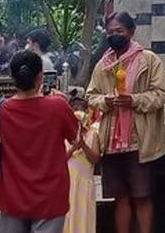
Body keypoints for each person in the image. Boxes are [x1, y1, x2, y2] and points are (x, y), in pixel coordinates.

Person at [87, 12, 165, 233]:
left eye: (119, 31)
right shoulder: (103, 65)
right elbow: (91, 96)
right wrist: (106, 101)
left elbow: (160, 94)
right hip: (111, 142)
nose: (114, 35)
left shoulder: (149, 60)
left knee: (142, 196)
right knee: (120, 198)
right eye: (111, 32)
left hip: (138, 140)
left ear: (131, 32)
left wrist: (133, 100)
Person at [0, 51, 79, 233]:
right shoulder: (58, 106)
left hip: (12, 194)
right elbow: (76, 138)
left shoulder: (2, 110)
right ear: (40, 77)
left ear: (12, 78)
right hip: (50, 194)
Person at [63, 90, 100, 233]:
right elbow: (60, 159)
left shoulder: (92, 134)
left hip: (84, 185)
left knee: (83, 218)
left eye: (82, 110)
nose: (79, 112)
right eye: (75, 109)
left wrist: (83, 145)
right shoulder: (63, 134)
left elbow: (95, 159)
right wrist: (73, 148)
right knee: (67, 217)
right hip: (67, 183)